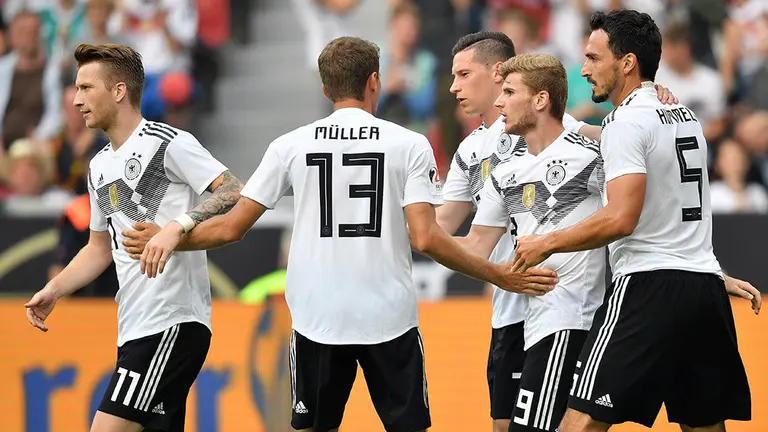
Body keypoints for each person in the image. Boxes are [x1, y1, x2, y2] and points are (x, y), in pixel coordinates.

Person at [138, 36, 559, 432]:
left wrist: (174, 235)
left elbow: (231, 227)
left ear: (325, 89)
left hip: (317, 317)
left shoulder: (290, 145)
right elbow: (428, 237)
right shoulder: (408, 144)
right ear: (374, 80)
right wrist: (499, 275)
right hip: (388, 318)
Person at [511, 10, 762, 432]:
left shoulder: (628, 122)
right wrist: (715, 274)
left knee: (581, 421)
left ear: (627, 62)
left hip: (647, 288)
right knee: (705, 425)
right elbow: (673, 208)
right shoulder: (685, 118)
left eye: (593, 58)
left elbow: (621, 219)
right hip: (701, 291)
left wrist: (546, 242)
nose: (584, 69)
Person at [439, 30, 676, 432]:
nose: (453, 87)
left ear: (497, 74)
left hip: (566, 309)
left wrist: (649, 96)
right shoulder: (477, 155)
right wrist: (398, 234)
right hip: (512, 309)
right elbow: (453, 234)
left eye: (463, 74)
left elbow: (632, 178)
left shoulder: (566, 132)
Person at [23, 43, 243, 432]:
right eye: (76, 89)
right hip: (135, 325)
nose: (76, 101)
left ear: (119, 91)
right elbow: (98, 249)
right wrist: (54, 289)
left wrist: (178, 227)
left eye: (86, 88)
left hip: (171, 322)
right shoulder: (98, 166)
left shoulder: (167, 142)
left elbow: (231, 190)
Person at [458, 52, 605, 432]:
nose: (497, 102)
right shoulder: (504, 173)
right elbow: (474, 247)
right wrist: (411, 234)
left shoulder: (592, 157)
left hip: (573, 321)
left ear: (541, 100)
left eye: (508, 92)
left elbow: (642, 211)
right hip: (533, 325)